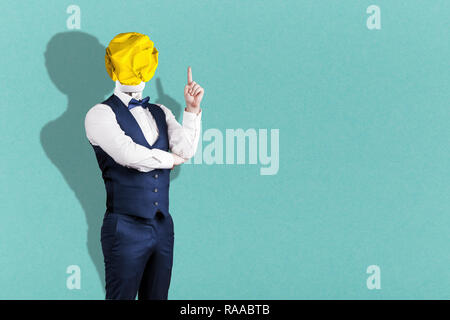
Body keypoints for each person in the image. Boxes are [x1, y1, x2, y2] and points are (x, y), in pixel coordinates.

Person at [84, 32, 204, 300]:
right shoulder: (99, 114)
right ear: (113, 67)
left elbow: (186, 149)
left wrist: (192, 110)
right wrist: (170, 159)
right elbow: (129, 154)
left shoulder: (161, 111)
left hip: (162, 227)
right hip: (124, 227)